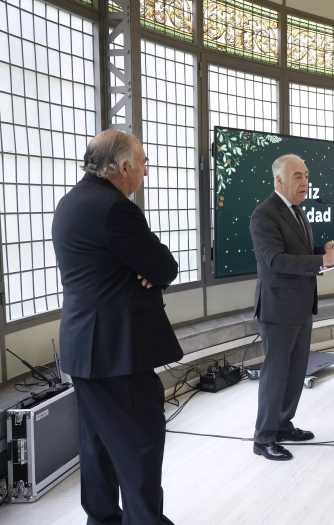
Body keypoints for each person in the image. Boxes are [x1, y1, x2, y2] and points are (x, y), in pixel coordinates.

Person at [52, 130, 181, 524]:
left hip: (83, 347)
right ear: (124, 167)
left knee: (97, 446)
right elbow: (164, 266)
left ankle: (103, 519)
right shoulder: (115, 208)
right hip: (117, 352)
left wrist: (144, 268)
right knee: (139, 444)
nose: (146, 171)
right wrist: (148, 270)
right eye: (143, 163)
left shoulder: (70, 202)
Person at [250, 154, 334, 461]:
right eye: (297, 176)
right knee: (276, 374)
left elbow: (298, 253)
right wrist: (321, 260)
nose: (304, 181)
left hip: (302, 304)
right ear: (279, 180)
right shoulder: (264, 214)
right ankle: (264, 437)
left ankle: (282, 424)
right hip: (278, 308)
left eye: (306, 175)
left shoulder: (297, 210)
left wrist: (322, 251)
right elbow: (276, 260)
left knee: (294, 372)